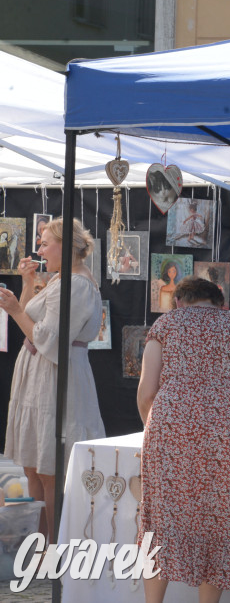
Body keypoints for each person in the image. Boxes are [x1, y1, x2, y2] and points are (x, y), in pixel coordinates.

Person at [136, 276, 230, 602]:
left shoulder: (166, 325)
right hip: (227, 429)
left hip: (172, 428)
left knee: (161, 520)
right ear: (219, 302)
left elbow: (147, 391)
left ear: (179, 301)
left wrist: (153, 433)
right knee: (219, 519)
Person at [0, 217, 105, 539]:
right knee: (33, 464)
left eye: (45, 243)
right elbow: (33, 314)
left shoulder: (77, 286)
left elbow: (51, 341)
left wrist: (16, 310)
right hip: (38, 378)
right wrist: (28, 282)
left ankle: (52, 546)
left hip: (56, 377)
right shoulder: (62, 279)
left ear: (67, 245)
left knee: (50, 469)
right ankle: (36, 540)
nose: (40, 250)